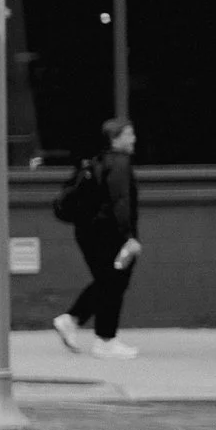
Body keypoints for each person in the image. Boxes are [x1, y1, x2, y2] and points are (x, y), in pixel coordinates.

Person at [54, 119, 142, 360]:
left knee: (107, 282)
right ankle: (105, 340)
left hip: (88, 232)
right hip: (109, 233)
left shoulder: (97, 161)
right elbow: (120, 202)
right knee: (113, 283)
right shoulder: (120, 163)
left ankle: (72, 320)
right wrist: (129, 238)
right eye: (129, 134)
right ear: (115, 139)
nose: (133, 138)